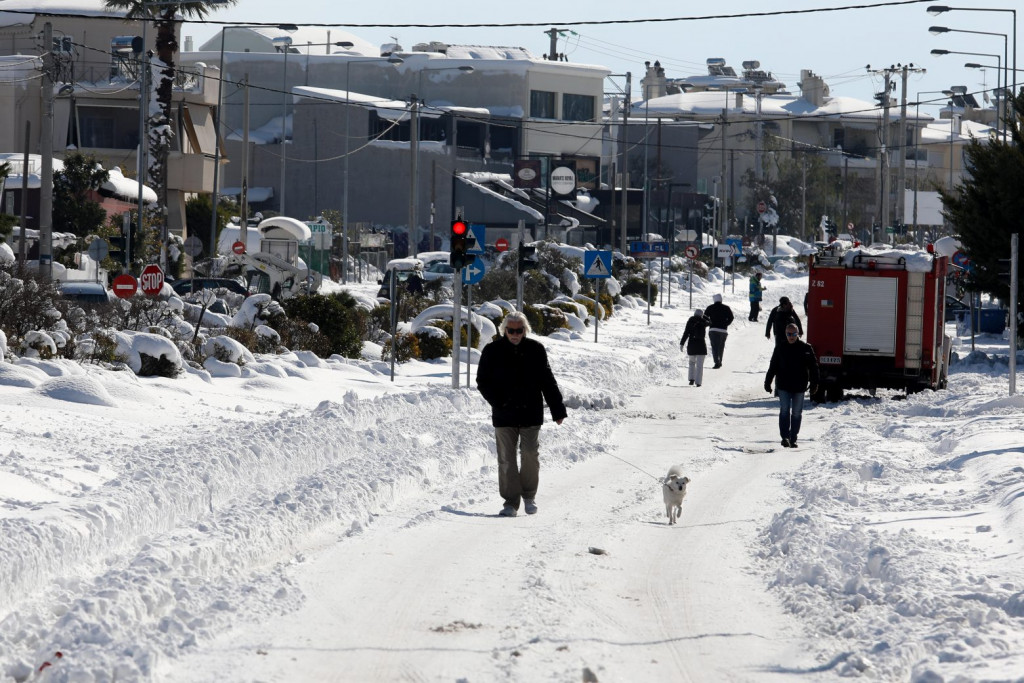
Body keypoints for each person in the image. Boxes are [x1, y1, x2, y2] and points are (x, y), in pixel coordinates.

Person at [476, 311, 567, 518]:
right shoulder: (492, 351)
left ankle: (529, 496)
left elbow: (547, 380)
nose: (515, 334)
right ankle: (510, 502)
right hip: (504, 414)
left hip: (530, 412)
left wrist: (557, 409)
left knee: (530, 454)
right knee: (506, 459)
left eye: (519, 330)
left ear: (525, 330)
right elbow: (483, 381)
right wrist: (499, 402)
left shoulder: (536, 349)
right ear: (504, 330)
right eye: (511, 330)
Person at [764, 323, 820, 448]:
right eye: (789, 334)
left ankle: (793, 438)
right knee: (784, 410)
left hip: (799, 386)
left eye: (794, 334)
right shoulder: (780, 348)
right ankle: (785, 437)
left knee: (796, 413)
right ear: (785, 334)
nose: (791, 337)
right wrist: (768, 382)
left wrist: (814, 383)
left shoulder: (805, 348)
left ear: (798, 334)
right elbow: (773, 366)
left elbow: (813, 367)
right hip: (783, 385)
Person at [679, 308, 711, 387]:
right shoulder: (703, 321)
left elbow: (686, 333)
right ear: (701, 315)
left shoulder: (690, 321)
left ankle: (691, 379)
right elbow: (711, 322)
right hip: (701, 346)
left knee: (692, 363)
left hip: (692, 345)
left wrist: (682, 343)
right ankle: (698, 382)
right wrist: (705, 317)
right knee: (699, 365)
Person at [705, 293, 734, 369]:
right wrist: (726, 324)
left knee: (715, 346)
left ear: (714, 300)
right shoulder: (726, 308)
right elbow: (731, 317)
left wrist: (709, 323)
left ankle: (716, 362)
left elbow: (705, 317)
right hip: (723, 330)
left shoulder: (710, 307)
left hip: (713, 329)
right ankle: (719, 360)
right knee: (721, 346)